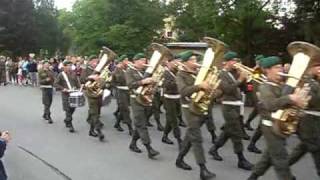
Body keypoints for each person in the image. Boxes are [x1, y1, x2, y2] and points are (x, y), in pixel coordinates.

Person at [247, 56, 306, 180]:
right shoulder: (265, 87)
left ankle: (253, 177)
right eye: (277, 67)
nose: (281, 70)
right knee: (281, 160)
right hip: (270, 126)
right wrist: (290, 98)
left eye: (281, 66)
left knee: (269, 156)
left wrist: (298, 100)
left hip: (279, 125)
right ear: (267, 70)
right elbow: (270, 105)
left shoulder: (281, 85)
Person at [174, 51, 216, 180]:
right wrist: (199, 86)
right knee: (197, 138)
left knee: (190, 135)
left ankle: (179, 159)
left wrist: (211, 88)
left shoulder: (197, 74)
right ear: (185, 62)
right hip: (188, 108)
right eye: (192, 60)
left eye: (195, 59)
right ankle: (203, 169)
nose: (195, 62)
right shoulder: (180, 75)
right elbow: (183, 92)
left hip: (199, 107)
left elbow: (205, 89)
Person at [209, 51, 253, 171]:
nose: (236, 63)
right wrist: (239, 79)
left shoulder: (234, 73)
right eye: (233, 61)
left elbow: (243, 89)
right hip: (228, 106)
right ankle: (241, 159)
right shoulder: (222, 74)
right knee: (236, 133)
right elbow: (228, 89)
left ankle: (214, 149)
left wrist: (244, 79)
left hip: (237, 106)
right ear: (227, 62)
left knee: (228, 131)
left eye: (237, 61)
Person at [288, 61, 320, 177]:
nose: (319, 69)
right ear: (310, 68)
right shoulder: (307, 82)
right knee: (317, 148)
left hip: (315, 121)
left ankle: (282, 166)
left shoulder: (316, 82)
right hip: (308, 121)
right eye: (317, 66)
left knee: (302, 148)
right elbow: (313, 101)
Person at [126, 53, 160, 159]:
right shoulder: (129, 71)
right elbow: (130, 85)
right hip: (135, 99)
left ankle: (132, 143)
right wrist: (142, 81)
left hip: (144, 99)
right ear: (135, 61)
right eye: (141, 60)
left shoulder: (144, 71)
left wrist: (153, 83)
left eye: (144, 60)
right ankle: (149, 148)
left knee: (140, 123)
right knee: (141, 124)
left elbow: (149, 85)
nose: (144, 63)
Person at [161, 56, 182, 147]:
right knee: (174, 120)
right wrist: (178, 80)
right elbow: (167, 85)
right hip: (168, 98)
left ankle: (164, 136)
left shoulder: (177, 72)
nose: (177, 64)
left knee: (171, 118)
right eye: (175, 62)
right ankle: (179, 140)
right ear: (169, 63)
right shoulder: (165, 73)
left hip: (177, 97)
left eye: (178, 62)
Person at [54, 60, 80, 133]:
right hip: (66, 94)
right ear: (64, 67)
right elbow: (56, 84)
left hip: (73, 93)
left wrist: (79, 87)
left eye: (70, 66)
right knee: (68, 109)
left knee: (73, 108)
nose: (69, 67)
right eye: (68, 66)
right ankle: (70, 124)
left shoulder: (73, 74)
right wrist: (63, 88)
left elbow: (77, 83)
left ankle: (67, 120)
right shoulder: (61, 75)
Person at [111, 55, 133, 135]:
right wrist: (119, 68)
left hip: (127, 91)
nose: (127, 62)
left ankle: (117, 124)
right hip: (120, 91)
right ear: (121, 62)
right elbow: (117, 80)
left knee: (122, 109)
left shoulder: (128, 69)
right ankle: (130, 128)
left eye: (128, 60)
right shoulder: (117, 70)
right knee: (126, 110)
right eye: (126, 60)